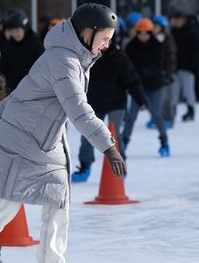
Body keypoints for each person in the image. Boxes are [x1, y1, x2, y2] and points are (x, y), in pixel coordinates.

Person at [0, 3, 126, 263]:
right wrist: (108, 146)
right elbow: (78, 109)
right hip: (22, 143)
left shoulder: (74, 57)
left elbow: (28, 87)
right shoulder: (64, 61)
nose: (106, 45)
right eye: (104, 39)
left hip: (45, 143)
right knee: (4, 211)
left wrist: (0, 110)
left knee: (58, 205)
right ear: (88, 32)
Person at [72, 31, 148, 183]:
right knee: (89, 134)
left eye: (108, 40)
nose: (104, 44)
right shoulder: (87, 58)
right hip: (94, 103)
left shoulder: (120, 59)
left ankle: (120, 165)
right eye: (101, 40)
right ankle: (85, 165)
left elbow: (132, 80)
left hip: (116, 104)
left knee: (114, 135)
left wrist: (141, 100)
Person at [123, 18, 170, 157]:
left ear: (150, 33)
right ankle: (124, 141)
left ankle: (164, 141)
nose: (143, 36)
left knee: (156, 114)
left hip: (154, 86)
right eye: (140, 33)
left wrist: (143, 71)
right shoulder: (131, 46)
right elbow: (127, 65)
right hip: (137, 87)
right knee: (131, 116)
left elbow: (159, 65)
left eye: (146, 33)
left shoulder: (157, 46)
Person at [0, 8, 44, 92]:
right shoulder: (8, 45)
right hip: (11, 90)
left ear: (25, 29)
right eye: (13, 31)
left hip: (31, 88)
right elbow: (3, 67)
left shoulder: (36, 43)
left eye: (18, 30)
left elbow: (40, 66)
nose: (15, 34)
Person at [169, 11, 199, 122]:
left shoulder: (191, 32)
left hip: (187, 67)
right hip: (175, 67)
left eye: (179, 20)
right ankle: (171, 112)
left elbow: (197, 50)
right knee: (174, 91)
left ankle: (190, 110)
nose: (177, 22)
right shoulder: (172, 32)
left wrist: (194, 65)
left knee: (188, 91)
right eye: (175, 19)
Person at [152, 14, 177, 128]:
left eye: (156, 26)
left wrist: (169, 73)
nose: (154, 28)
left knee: (167, 99)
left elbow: (170, 59)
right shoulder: (152, 39)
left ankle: (169, 118)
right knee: (156, 99)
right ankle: (156, 118)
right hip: (156, 73)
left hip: (166, 74)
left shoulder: (167, 40)